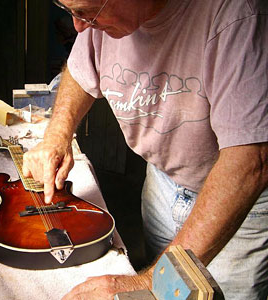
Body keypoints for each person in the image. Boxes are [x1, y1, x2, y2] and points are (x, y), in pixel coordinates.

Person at [22, 0, 268, 299]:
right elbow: (80, 69)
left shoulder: (237, 16)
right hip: (164, 181)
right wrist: (57, 134)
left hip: (236, 202)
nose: (78, 25)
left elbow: (249, 161)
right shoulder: (97, 17)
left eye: (86, 11)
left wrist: (152, 280)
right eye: (67, 9)